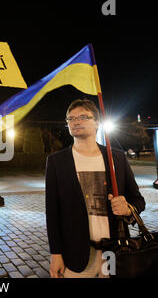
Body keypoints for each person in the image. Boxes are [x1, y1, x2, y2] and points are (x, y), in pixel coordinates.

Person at [45, 99, 146, 278]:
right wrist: (56, 253)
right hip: (75, 254)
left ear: (97, 123)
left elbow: (138, 200)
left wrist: (128, 208)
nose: (76, 121)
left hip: (114, 251)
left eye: (83, 117)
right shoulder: (56, 162)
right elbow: (53, 213)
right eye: (71, 118)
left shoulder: (116, 157)